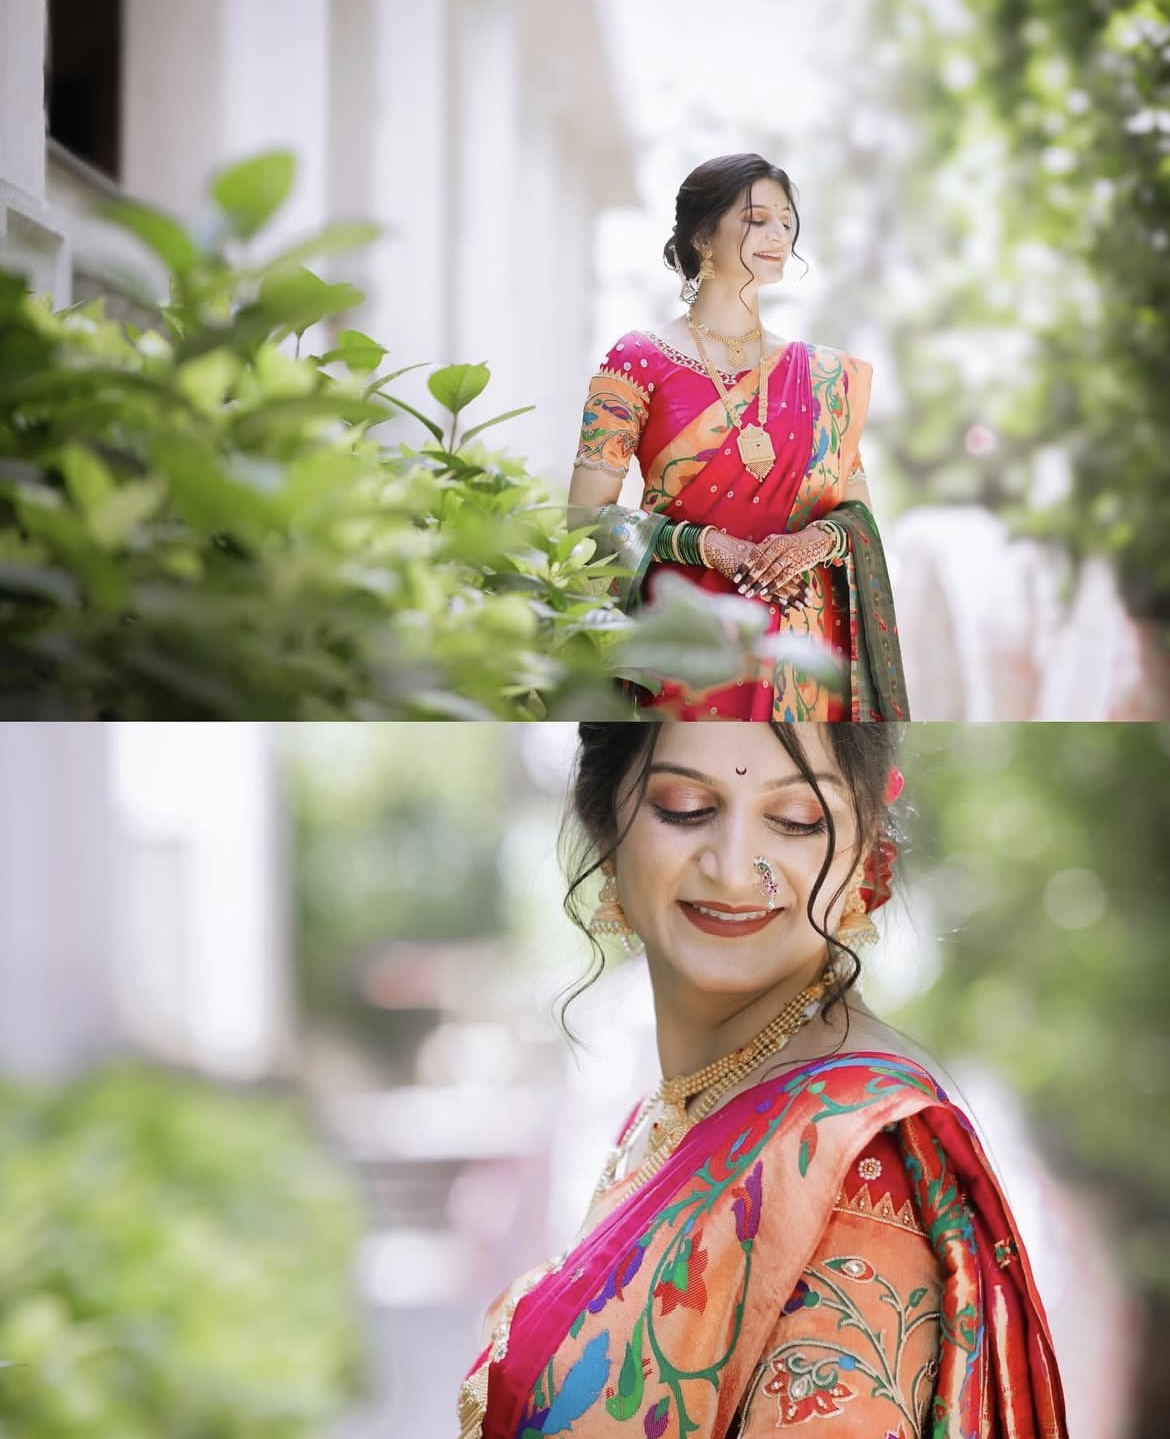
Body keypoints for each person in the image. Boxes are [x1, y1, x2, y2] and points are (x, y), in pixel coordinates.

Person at [457, 723, 1066, 1439]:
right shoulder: (677, 1111)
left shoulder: (860, 1169)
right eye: (685, 806)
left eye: (797, 819)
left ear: (864, 849)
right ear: (604, 825)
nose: (736, 868)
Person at [569, 154, 910, 722]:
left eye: (785, 220)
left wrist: (814, 543)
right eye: (756, 219)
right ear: (703, 235)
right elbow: (584, 520)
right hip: (685, 645)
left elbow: (858, 518)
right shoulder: (637, 361)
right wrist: (707, 546)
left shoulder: (825, 380)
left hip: (804, 654)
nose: (778, 233)